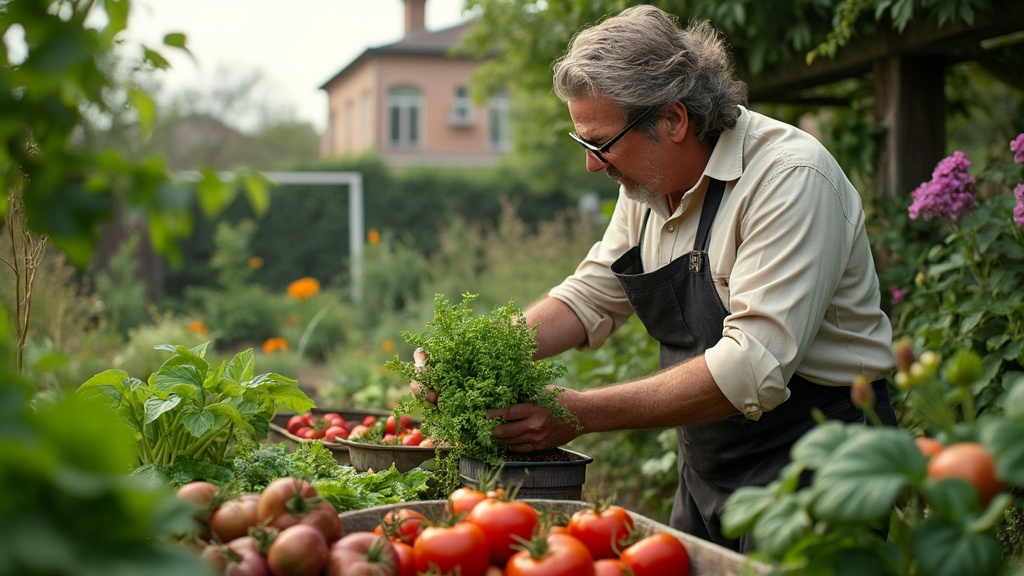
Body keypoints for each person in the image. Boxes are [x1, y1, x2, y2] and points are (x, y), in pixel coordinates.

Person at [415, 5, 897, 553]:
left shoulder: (788, 179)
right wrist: (472, 353)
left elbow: (751, 367)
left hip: (820, 460)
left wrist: (579, 411)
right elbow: (591, 295)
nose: (593, 166)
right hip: (710, 463)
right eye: (584, 144)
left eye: (601, 144)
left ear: (672, 119)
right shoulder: (647, 186)